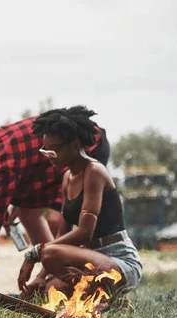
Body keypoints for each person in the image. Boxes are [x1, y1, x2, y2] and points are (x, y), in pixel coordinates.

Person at [0, 106, 109, 284]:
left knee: (57, 220)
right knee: (28, 215)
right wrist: (16, 202)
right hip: (46, 167)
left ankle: (85, 276)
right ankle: (55, 274)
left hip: (88, 144)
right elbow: (24, 170)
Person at [17, 106, 142, 298]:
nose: (49, 157)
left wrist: (34, 254)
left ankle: (102, 297)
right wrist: (42, 276)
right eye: (45, 151)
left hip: (120, 261)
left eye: (54, 150)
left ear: (75, 145)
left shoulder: (94, 171)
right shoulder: (67, 177)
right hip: (91, 257)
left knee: (50, 254)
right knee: (42, 291)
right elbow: (62, 235)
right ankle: (92, 295)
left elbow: (84, 232)